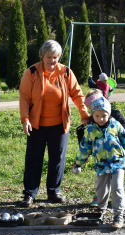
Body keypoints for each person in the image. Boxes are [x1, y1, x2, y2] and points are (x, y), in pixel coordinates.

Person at [19, 39, 89, 207]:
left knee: (57, 158)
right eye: (49, 57)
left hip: (59, 124)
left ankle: (53, 191)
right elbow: (24, 97)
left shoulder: (65, 72)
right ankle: (30, 194)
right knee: (34, 159)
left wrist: (84, 115)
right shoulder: (32, 72)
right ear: (42, 56)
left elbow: (78, 95)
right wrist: (25, 119)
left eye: (55, 57)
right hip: (36, 125)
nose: (52, 61)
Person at [72, 97, 125, 230]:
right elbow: (85, 148)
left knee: (117, 187)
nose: (101, 119)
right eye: (97, 116)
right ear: (92, 115)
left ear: (109, 114)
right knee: (101, 189)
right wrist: (78, 163)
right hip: (101, 164)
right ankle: (101, 209)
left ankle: (118, 214)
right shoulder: (90, 130)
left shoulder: (115, 125)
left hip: (118, 162)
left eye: (104, 116)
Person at [80, 89, 125, 207]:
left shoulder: (115, 115)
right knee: (101, 181)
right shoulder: (92, 121)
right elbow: (86, 141)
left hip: (116, 155)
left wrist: (119, 140)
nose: (100, 118)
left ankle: (119, 201)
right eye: (95, 113)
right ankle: (100, 197)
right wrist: (83, 157)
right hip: (101, 157)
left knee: (117, 183)